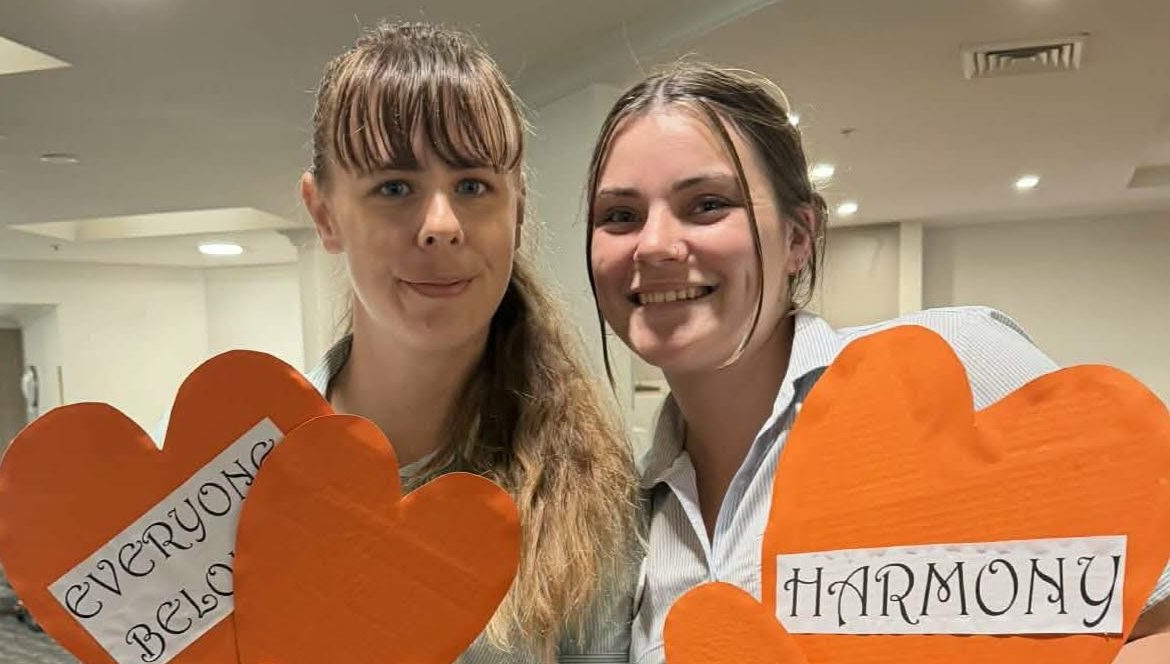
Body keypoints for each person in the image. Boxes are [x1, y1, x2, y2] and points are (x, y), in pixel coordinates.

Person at [582, 62, 1170, 663]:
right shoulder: (626, 524)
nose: (653, 245)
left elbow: (1155, 619)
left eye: (707, 204)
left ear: (797, 237)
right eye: (620, 216)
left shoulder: (957, 369)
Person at [300, 21, 639, 662]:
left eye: (473, 186)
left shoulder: (587, 496)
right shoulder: (239, 471)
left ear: (516, 209)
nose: (440, 225)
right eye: (394, 187)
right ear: (324, 214)